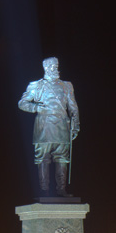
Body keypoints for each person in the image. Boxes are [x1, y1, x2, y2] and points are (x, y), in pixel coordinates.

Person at [18, 56, 80, 197]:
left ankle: (61, 190)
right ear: (46, 68)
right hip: (43, 128)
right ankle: (44, 190)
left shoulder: (67, 86)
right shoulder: (36, 85)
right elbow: (22, 103)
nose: (55, 69)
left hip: (63, 127)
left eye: (56, 66)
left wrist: (76, 125)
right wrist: (37, 108)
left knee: (62, 159)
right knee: (43, 159)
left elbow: (73, 107)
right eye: (52, 66)